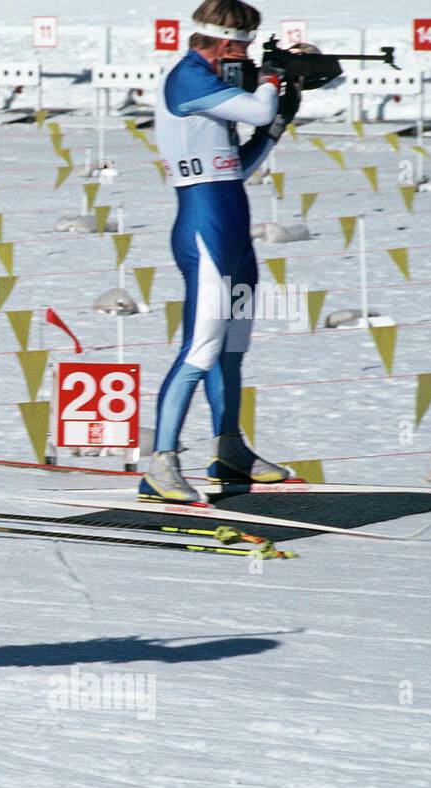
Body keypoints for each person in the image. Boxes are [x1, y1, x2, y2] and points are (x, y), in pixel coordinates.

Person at [142, 0, 301, 502]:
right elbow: (256, 106)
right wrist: (272, 83)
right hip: (204, 230)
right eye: (245, 44)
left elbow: (237, 165)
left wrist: (275, 128)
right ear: (225, 43)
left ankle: (230, 450)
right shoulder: (189, 78)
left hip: (232, 227)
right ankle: (159, 465)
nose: (248, 54)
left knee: (232, 351)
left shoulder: (215, 86)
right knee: (200, 349)